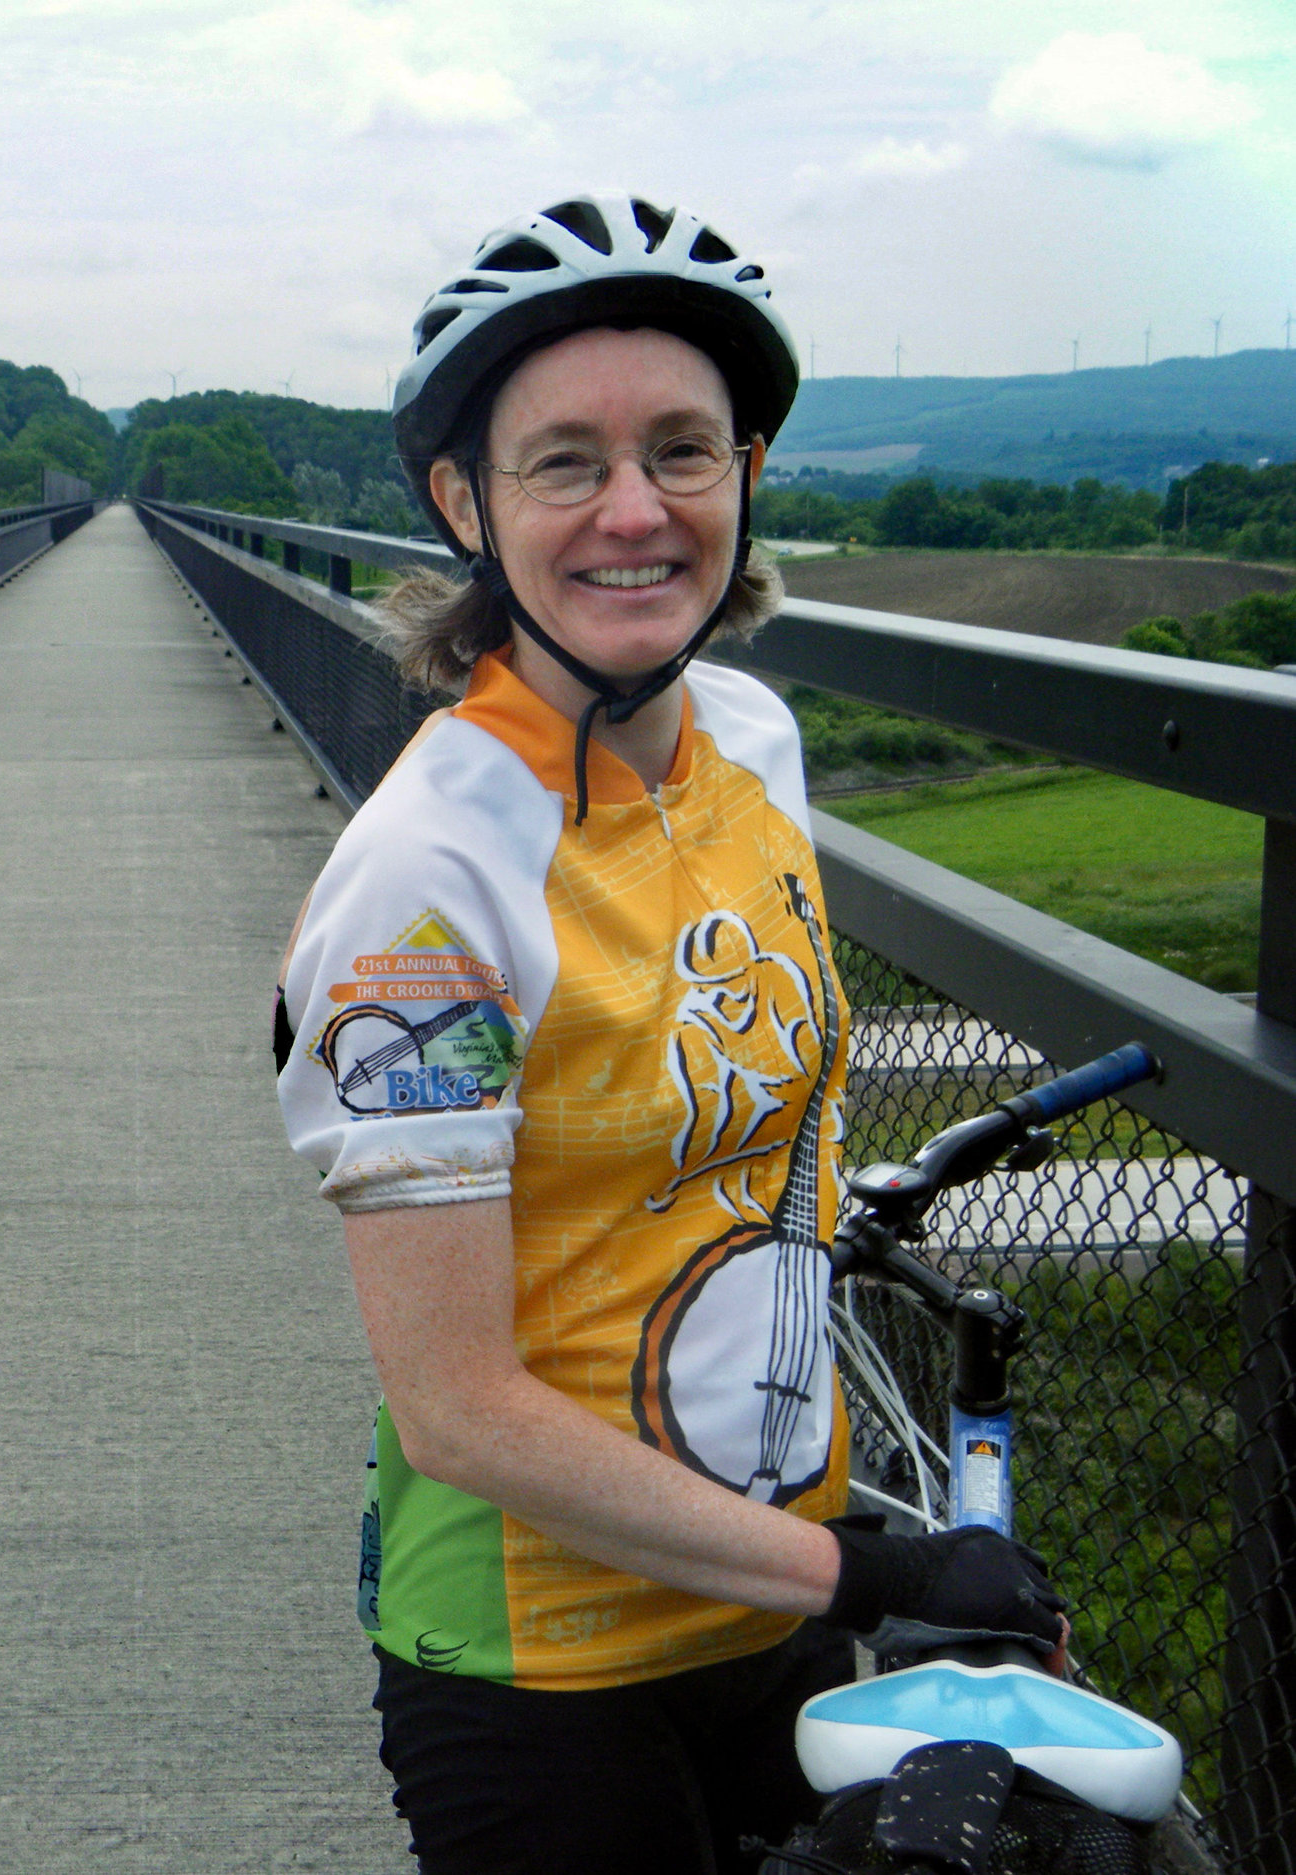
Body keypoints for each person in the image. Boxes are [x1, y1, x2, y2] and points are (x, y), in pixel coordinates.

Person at [271, 195, 1068, 1875]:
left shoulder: (755, 741)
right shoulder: (426, 890)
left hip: (766, 1596)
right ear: (462, 502)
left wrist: (825, 1555)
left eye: (683, 451)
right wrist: (879, 1573)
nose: (634, 512)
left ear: (748, 473)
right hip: (543, 1660)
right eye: (566, 461)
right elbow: (461, 1411)